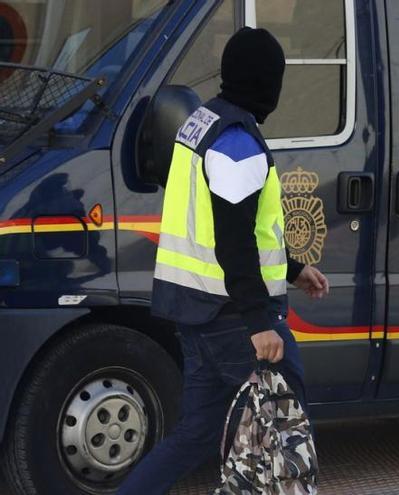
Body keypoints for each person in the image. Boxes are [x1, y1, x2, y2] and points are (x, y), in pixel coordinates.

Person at [118, 27, 329, 495]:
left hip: (195, 310)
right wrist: (259, 322)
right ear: (265, 81)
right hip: (234, 320)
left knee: (195, 436)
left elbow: (228, 225)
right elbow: (233, 240)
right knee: (288, 438)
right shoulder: (237, 141)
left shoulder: (201, 124)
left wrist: (293, 269)